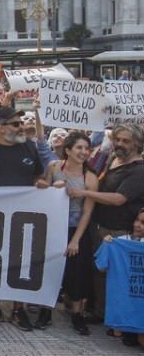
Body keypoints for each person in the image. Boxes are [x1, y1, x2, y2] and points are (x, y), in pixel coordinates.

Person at [0, 106, 48, 330]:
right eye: (15, 124)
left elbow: (37, 175)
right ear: (1, 128)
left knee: (19, 262)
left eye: (21, 123)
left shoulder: (29, 146)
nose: (21, 127)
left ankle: (17, 309)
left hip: (22, 216)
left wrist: (40, 183)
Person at [64, 122, 144, 325]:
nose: (120, 144)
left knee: (114, 277)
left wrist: (83, 192)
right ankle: (99, 312)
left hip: (119, 230)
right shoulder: (114, 159)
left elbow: (119, 199)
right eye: (117, 139)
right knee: (98, 272)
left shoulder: (139, 170)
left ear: (137, 144)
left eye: (126, 141)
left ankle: (113, 319)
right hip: (100, 226)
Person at [44, 132, 97, 336]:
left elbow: (87, 212)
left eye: (86, 148)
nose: (84, 152)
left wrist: (75, 240)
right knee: (50, 270)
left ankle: (77, 315)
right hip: (53, 227)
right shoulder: (54, 167)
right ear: (68, 150)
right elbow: (43, 195)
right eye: (79, 148)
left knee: (78, 273)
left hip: (77, 230)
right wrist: (51, 188)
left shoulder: (90, 178)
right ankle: (45, 311)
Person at [97, 208, 144, 348]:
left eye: (143, 222)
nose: (137, 224)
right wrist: (106, 245)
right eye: (137, 220)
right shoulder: (120, 242)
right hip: (127, 313)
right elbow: (101, 267)